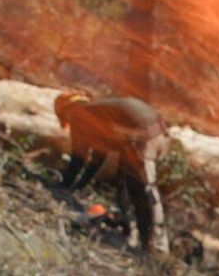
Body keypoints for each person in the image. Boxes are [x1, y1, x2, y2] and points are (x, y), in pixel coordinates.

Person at [54, 92, 169, 255]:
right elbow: (99, 157)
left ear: (64, 110)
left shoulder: (78, 114)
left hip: (143, 135)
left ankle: (156, 248)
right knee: (125, 182)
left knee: (142, 190)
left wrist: (64, 186)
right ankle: (136, 236)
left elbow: (78, 158)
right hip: (157, 132)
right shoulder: (98, 111)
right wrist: (78, 186)